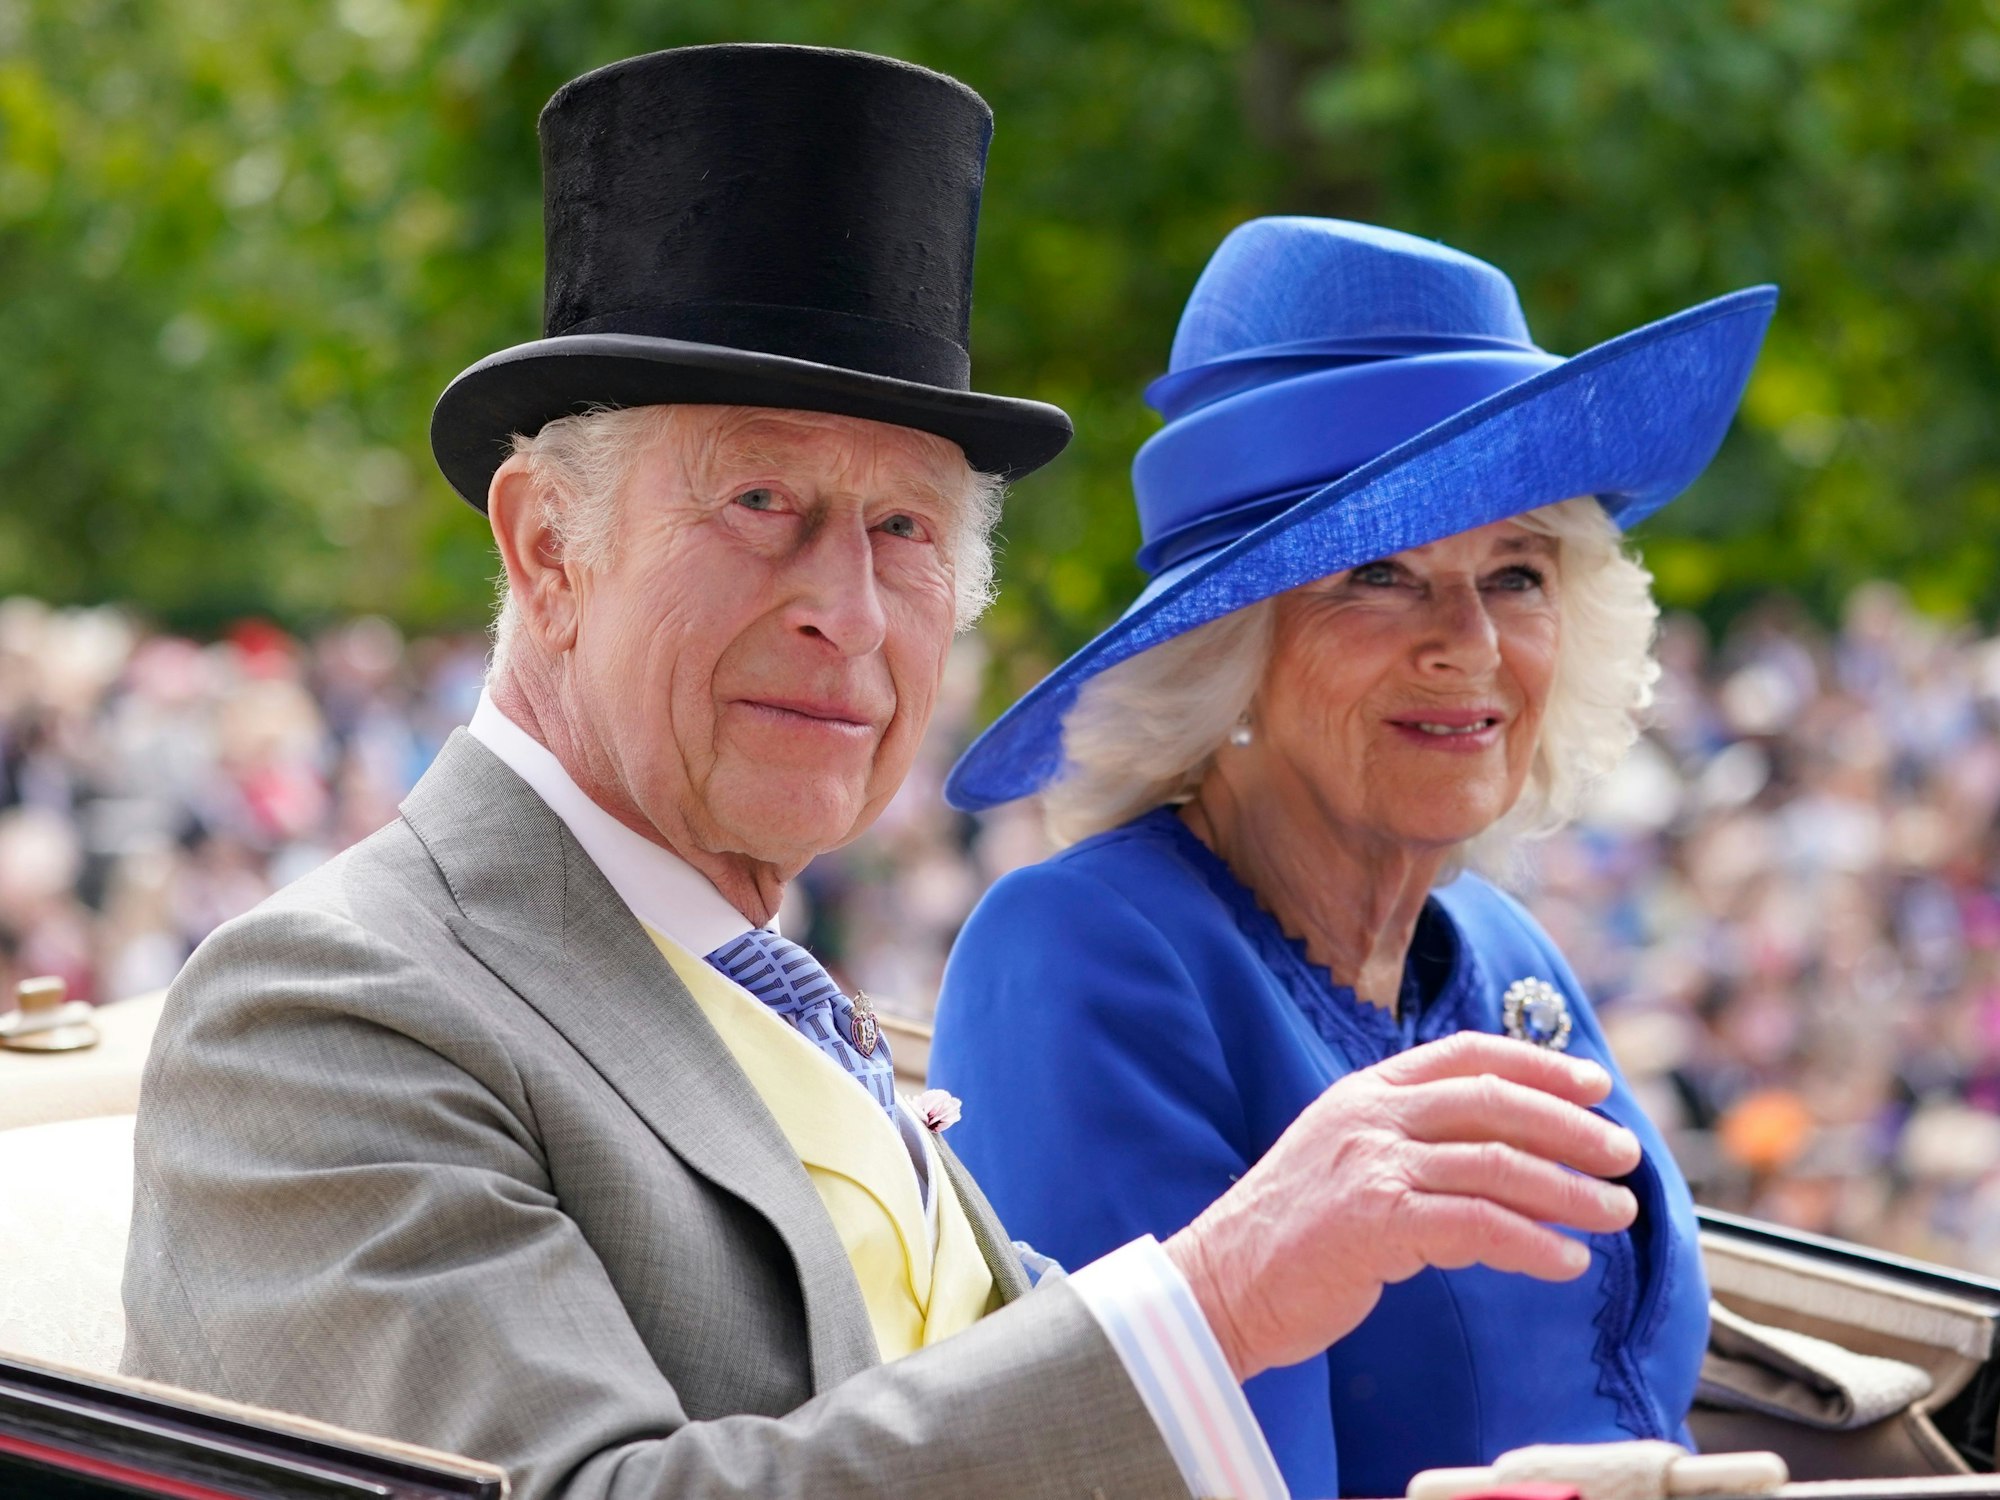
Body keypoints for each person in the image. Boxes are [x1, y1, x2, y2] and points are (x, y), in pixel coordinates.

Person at [122, 56, 1645, 1500]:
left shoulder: (760, 979)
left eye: (905, 532)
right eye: (762, 500)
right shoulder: (333, 1010)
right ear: (546, 547)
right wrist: (1223, 1291)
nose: (843, 611)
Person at [932, 217, 1778, 1499]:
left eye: (1515, 573)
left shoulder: (1499, 949)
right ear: (1228, 647)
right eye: (1378, 575)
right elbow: (1163, 1464)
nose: (1470, 647)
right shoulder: (1082, 953)